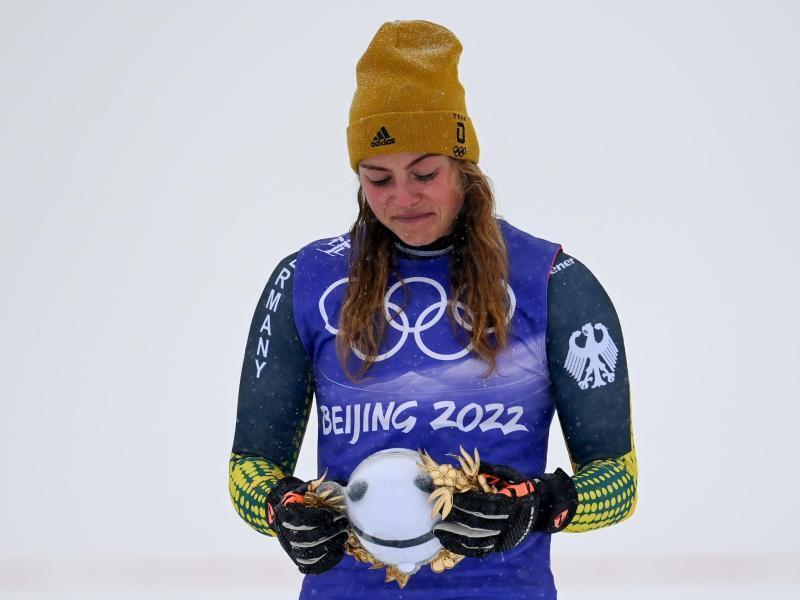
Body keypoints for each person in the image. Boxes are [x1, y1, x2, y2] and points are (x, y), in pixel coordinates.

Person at [229, 19, 637, 600]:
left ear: (464, 165)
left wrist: (544, 505)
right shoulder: (306, 281)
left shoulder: (553, 282)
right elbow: (249, 466)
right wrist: (284, 509)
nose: (403, 198)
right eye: (378, 179)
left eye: (425, 173)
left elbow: (618, 483)